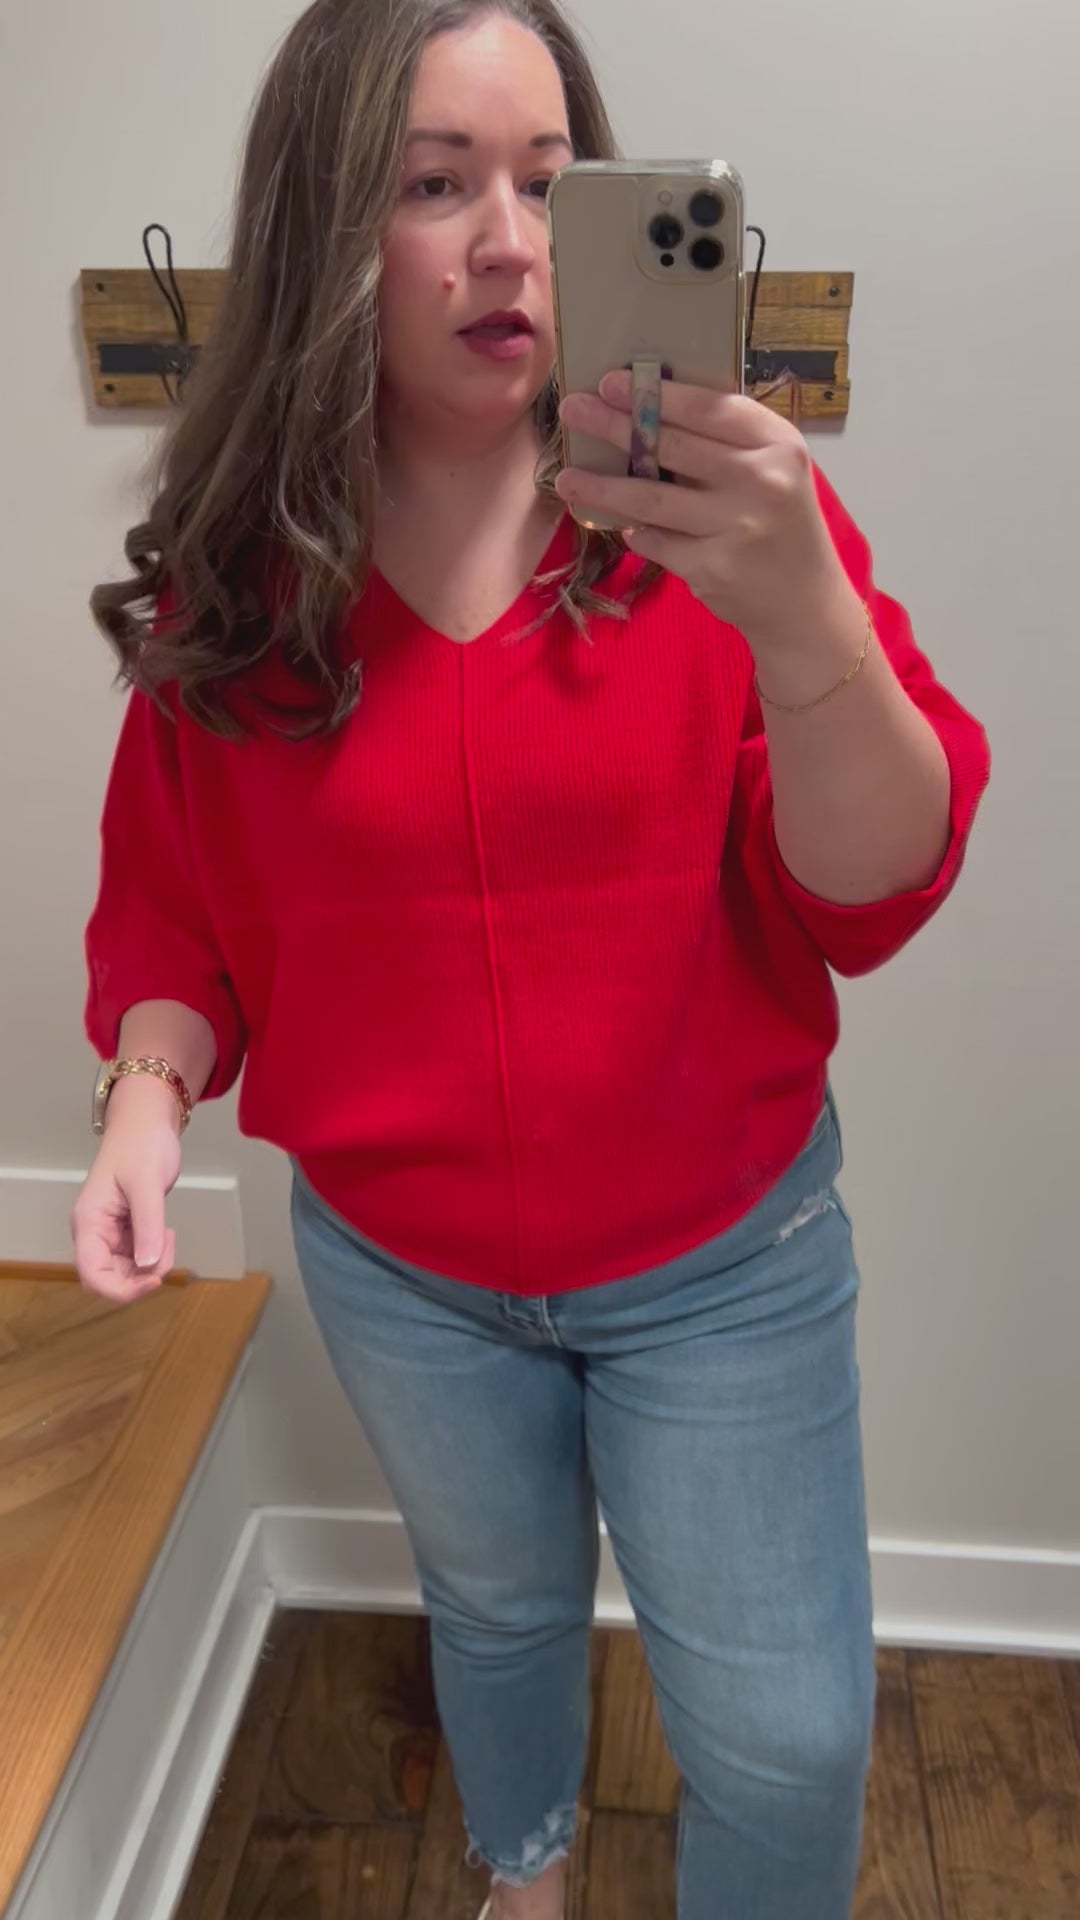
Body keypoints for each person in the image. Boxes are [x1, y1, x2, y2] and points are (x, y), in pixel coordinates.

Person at [73, 1, 989, 1915]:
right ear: (331, 223)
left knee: (789, 1738)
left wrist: (805, 619)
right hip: (405, 1280)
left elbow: (873, 888)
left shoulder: (724, 528)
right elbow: (174, 902)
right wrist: (146, 1100)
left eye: (550, 184)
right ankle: (526, 1870)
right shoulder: (251, 570)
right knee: (491, 1611)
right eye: (436, 185)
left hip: (723, 1270)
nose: (507, 241)